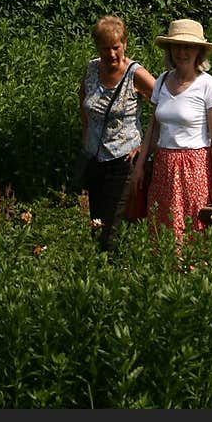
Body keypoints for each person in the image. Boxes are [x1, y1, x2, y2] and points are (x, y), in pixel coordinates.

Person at [130, 17, 212, 245]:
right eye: (177, 46)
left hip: (194, 168)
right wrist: (140, 166)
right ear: (170, 49)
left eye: (188, 46)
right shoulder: (162, 82)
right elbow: (153, 129)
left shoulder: (210, 86)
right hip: (164, 166)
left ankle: (197, 276)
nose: (182, 52)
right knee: (163, 227)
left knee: (195, 226)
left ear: (198, 51)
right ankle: (166, 277)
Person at [78, 15, 155, 252]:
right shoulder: (92, 69)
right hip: (94, 158)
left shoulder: (136, 74)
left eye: (116, 47)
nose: (111, 54)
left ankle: (113, 273)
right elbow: (83, 100)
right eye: (105, 48)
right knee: (96, 222)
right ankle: (96, 272)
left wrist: (145, 147)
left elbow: (165, 107)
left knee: (112, 227)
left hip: (123, 160)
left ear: (125, 44)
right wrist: (85, 139)